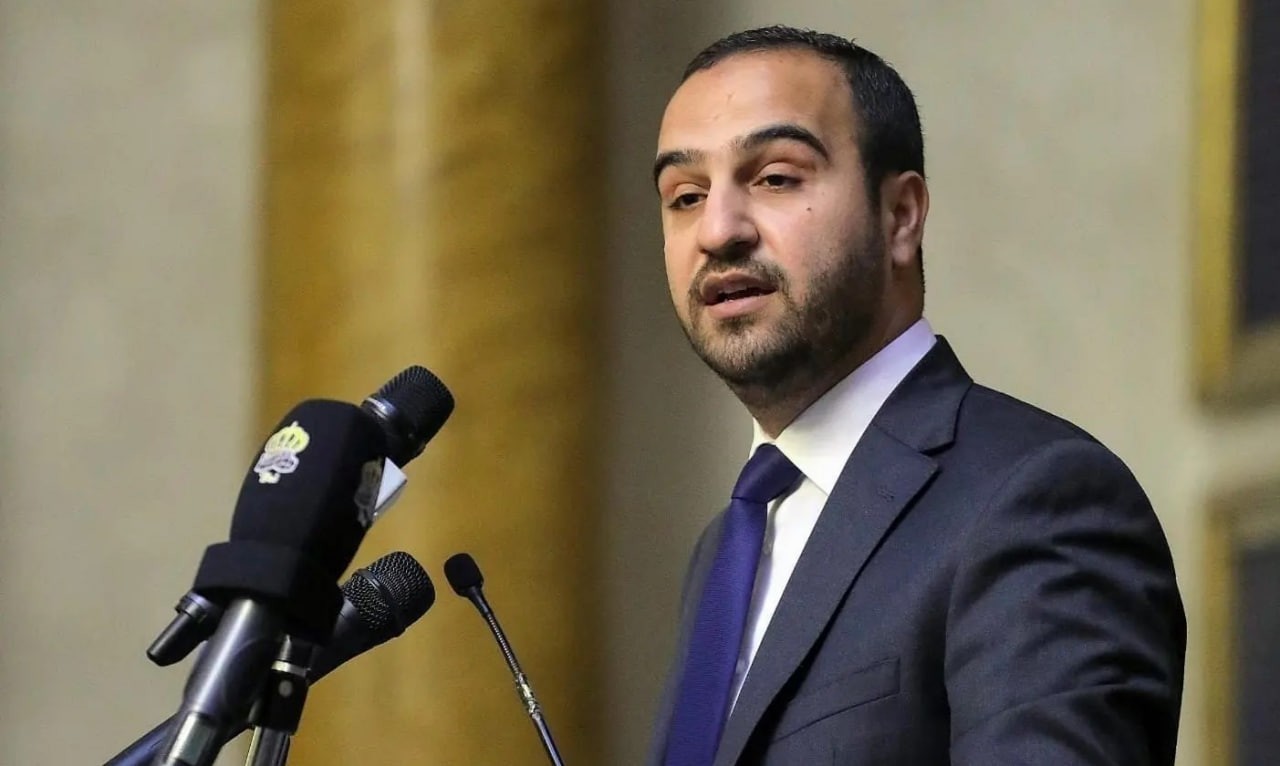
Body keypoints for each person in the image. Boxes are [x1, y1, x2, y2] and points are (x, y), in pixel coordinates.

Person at [646, 25, 1186, 766]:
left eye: (774, 178)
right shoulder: (727, 548)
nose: (717, 230)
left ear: (900, 215)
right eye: (685, 195)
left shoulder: (1036, 498)